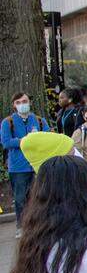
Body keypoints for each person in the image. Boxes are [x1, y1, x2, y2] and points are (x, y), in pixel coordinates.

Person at [2, 92, 50, 230]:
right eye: (18, 102)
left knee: (41, 196)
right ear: (14, 105)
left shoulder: (40, 121)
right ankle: (22, 226)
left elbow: (47, 138)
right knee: (21, 198)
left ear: (29, 102)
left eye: (24, 101)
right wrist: (25, 141)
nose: (22, 104)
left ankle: (40, 225)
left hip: (38, 164)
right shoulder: (8, 122)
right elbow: (6, 142)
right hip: (18, 167)